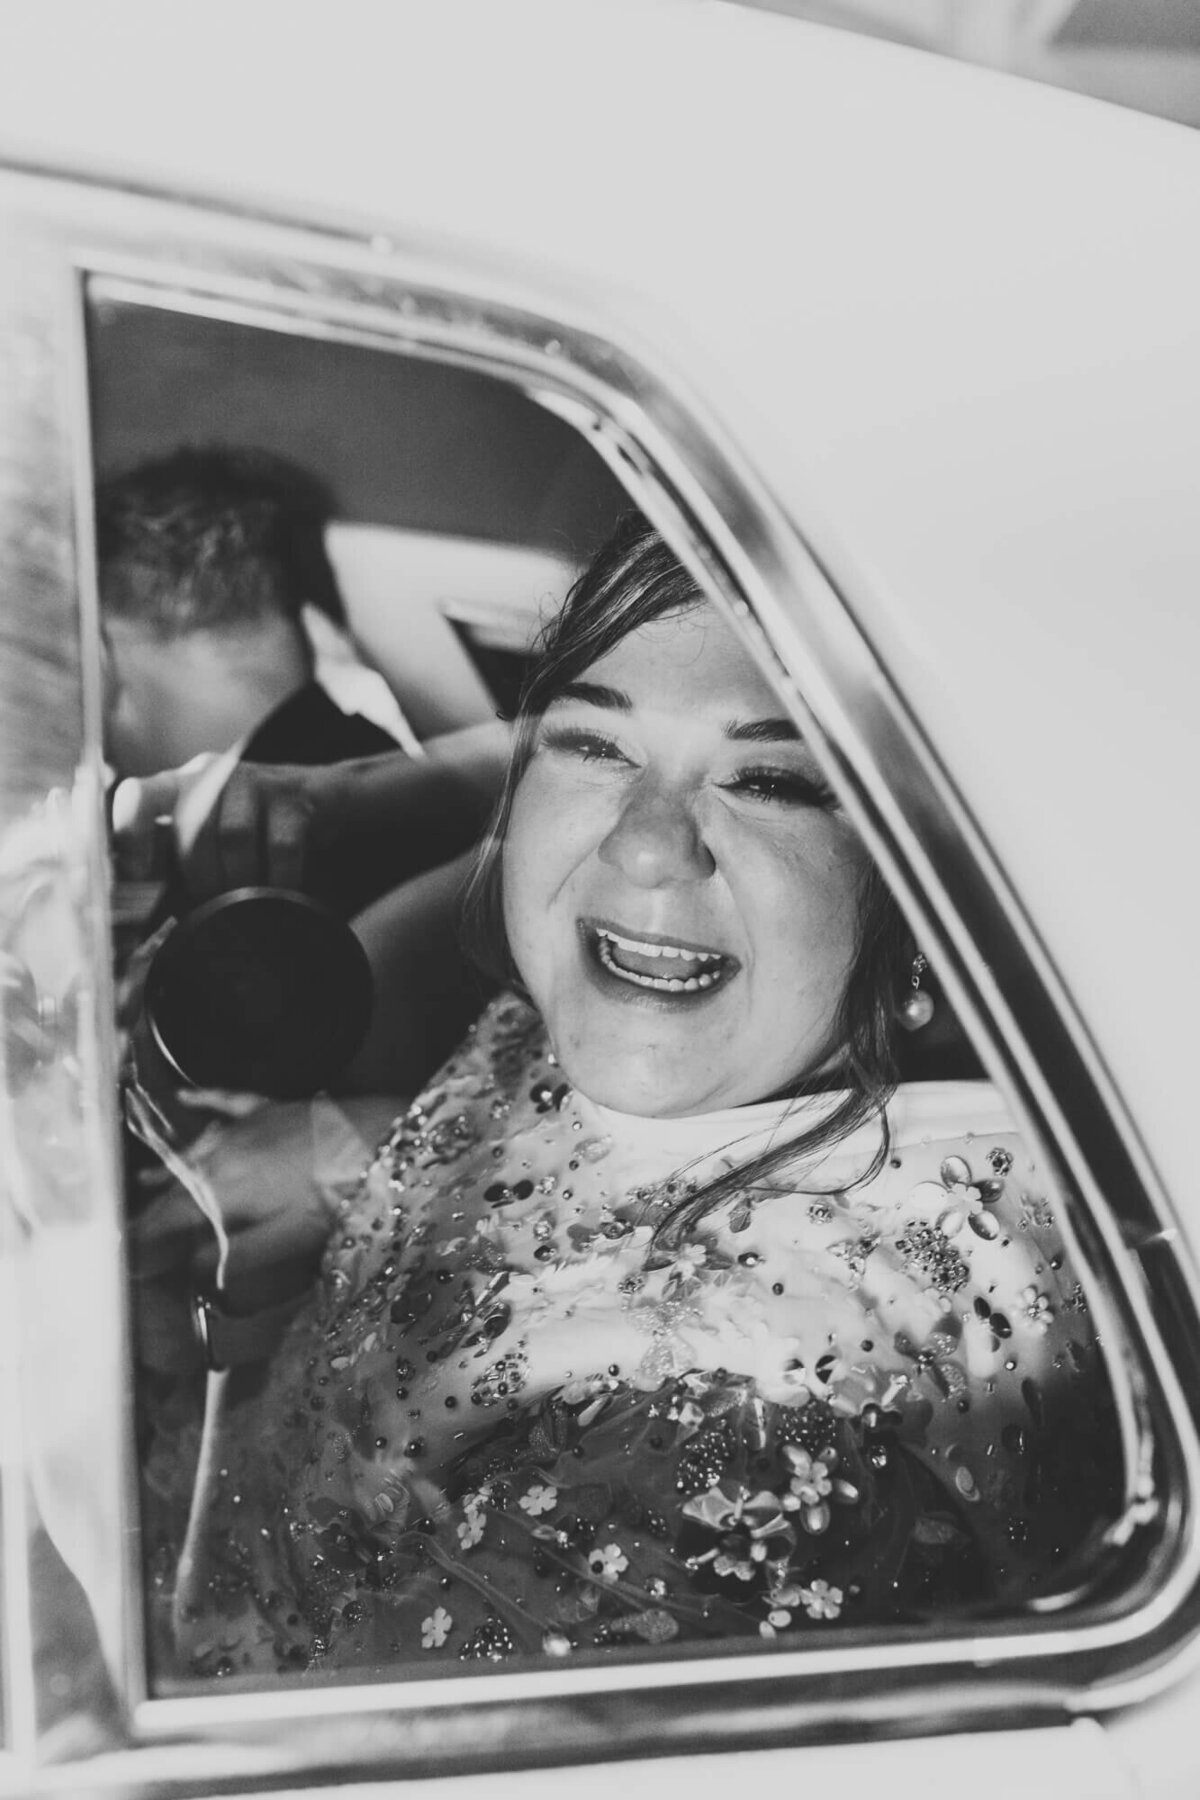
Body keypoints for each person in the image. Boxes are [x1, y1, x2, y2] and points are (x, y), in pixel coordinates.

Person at [137, 519, 1120, 1681]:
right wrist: (353, 1171)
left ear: (936, 907)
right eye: (597, 746)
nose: (648, 848)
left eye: (771, 777)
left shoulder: (742, 1428)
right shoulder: (657, 1014)